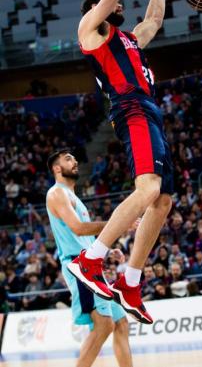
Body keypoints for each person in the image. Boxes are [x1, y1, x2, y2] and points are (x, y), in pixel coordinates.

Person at [68, 0, 173, 324]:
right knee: (146, 190)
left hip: (150, 112)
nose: (123, 8)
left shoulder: (128, 39)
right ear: (99, 8)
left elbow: (155, 18)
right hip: (130, 108)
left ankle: (130, 281)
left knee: (162, 202)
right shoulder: (91, 32)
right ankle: (91, 259)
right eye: (115, 4)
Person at [46, 149, 133, 367]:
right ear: (57, 169)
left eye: (74, 158)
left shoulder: (74, 197)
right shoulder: (57, 194)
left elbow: (87, 237)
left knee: (120, 322)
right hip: (79, 266)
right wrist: (120, 224)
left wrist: (106, 250)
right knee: (103, 325)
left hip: (90, 265)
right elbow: (78, 228)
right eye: (68, 159)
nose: (74, 161)